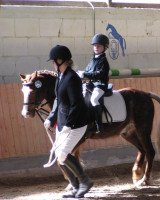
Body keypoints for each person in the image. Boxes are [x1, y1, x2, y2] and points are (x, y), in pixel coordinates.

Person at [43, 45, 93, 198]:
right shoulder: (60, 76)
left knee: (63, 153)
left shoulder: (72, 78)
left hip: (76, 124)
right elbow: (58, 100)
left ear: (60, 60)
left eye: (53, 61)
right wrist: (51, 117)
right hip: (63, 122)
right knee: (59, 155)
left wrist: (69, 125)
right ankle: (76, 186)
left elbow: (76, 105)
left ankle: (85, 182)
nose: (52, 64)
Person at [77, 33, 110, 133]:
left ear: (104, 47)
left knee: (94, 100)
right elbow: (88, 70)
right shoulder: (92, 60)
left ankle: (99, 124)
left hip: (100, 85)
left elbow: (99, 74)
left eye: (99, 46)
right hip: (90, 84)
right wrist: (80, 74)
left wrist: (85, 74)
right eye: (95, 45)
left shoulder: (104, 61)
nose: (96, 47)